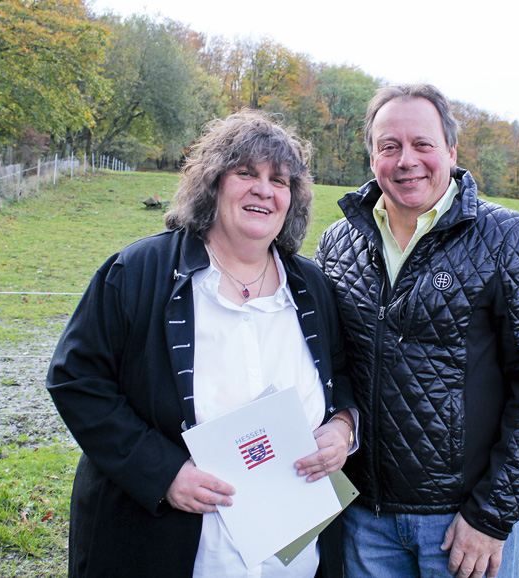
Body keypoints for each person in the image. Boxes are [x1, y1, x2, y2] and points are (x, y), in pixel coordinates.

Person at [47, 109, 356, 578]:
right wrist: (163, 473)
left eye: (280, 180)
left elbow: (343, 373)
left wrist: (343, 426)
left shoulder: (312, 286)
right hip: (166, 547)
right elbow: (77, 379)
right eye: (246, 173)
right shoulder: (137, 272)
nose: (264, 190)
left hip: (292, 555)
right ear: (212, 183)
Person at [315, 84, 519, 578]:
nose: (406, 160)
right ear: (372, 157)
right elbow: (331, 362)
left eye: (422, 144)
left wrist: (493, 515)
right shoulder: (339, 242)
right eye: (389, 146)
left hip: (461, 525)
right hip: (365, 518)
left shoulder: (504, 236)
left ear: (451, 152)